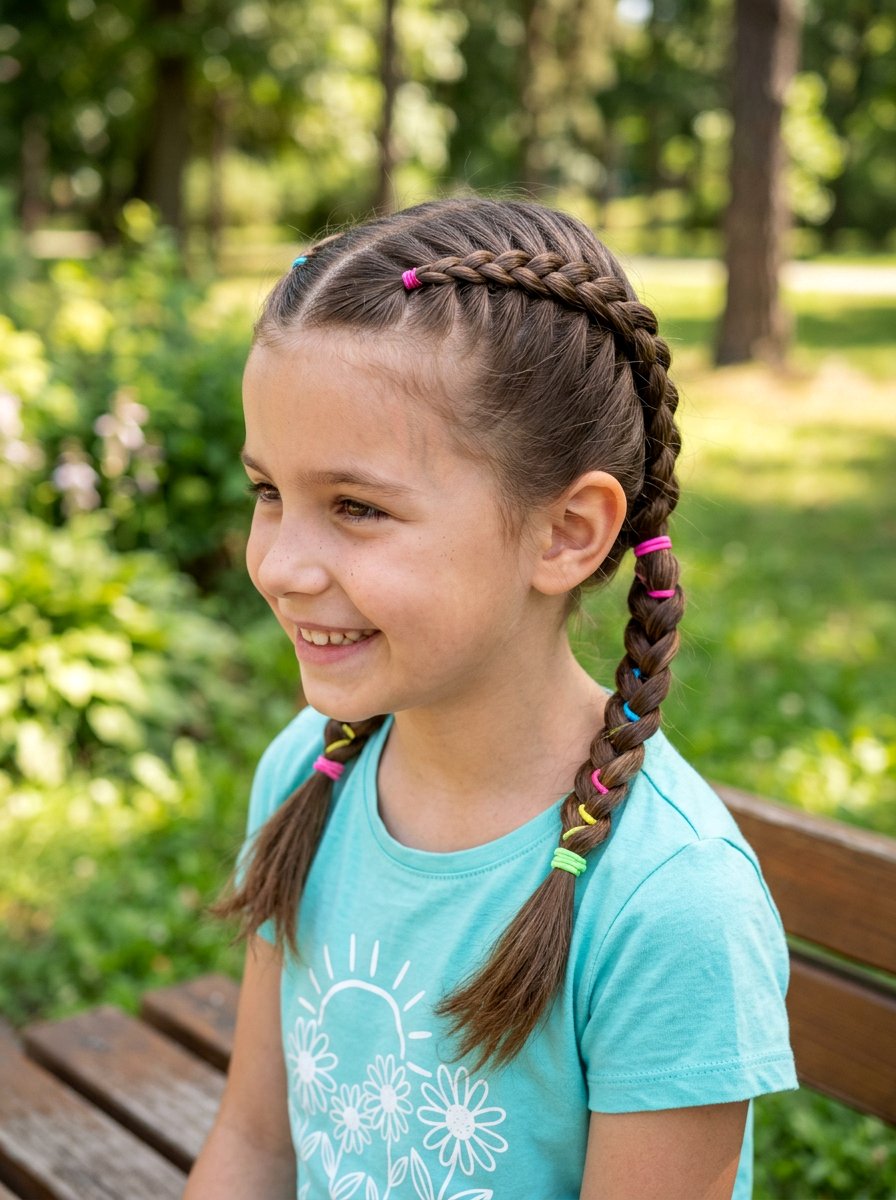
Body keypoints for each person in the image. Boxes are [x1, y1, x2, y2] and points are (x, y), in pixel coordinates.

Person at [184, 198, 797, 1200]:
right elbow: (254, 1149)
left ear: (565, 533)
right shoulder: (309, 771)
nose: (282, 565)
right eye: (268, 493)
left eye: (356, 507)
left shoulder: (670, 910)